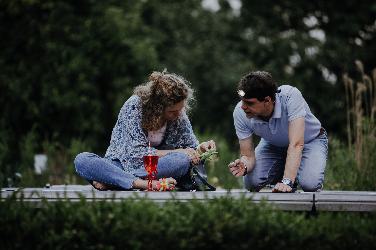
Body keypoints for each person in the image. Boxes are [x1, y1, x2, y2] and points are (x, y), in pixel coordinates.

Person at [74, 70, 216, 191]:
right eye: (173, 111)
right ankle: (143, 184)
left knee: (182, 161)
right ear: (158, 108)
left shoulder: (179, 113)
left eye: (181, 109)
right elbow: (136, 154)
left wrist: (200, 148)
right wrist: (178, 151)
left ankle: (115, 181)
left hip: (156, 168)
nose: (179, 114)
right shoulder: (134, 106)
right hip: (123, 164)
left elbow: (189, 147)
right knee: (82, 160)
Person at [228, 71, 328, 192]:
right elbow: (248, 156)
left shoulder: (290, 96)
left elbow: (296, 144)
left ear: (267, 100)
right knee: (251, 183)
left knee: (310, 184)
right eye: (242, 100)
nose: (243, 106)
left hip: (309, 141)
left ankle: (291, 177)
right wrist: (244, 165)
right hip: (273, 144)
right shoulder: (240, 112)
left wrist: (287, 181)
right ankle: (284, 172)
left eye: (249, 103)